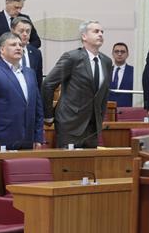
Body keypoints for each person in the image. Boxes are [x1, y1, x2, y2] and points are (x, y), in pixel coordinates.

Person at [42, 20, 112, 148]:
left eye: (102, 32)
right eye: (96, 31)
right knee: (67, 166)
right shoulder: (72, 57)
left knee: (89, 166)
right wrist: (48, 116)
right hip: (69, 123)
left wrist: (100, 118)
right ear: (84, 36)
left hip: (93, 126)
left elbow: (104, 93)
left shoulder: (106, 62)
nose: (100, 34)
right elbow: (48, 84)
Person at [0, 32, 43, 150]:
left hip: (28, 140)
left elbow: (37, 107)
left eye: (20, 45)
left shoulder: (30, 73)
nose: (18, 47)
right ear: (2, 49)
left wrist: (38, 137)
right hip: (2, 139)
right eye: (13, 45)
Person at [0, 16, 43, 87]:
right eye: (21, 31)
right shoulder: (2, 50)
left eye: (28, 31)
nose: (25, 34)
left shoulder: (36, 53)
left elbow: (38, 80)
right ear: (12, 31)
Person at [109, 42, 134, 107]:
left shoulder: (134, 71)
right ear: (112, 54)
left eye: (122, 52)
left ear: (127, 54)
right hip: (108, 109)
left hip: (127, 110)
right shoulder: (105, 70)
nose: (119, 54)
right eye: (116, 51)